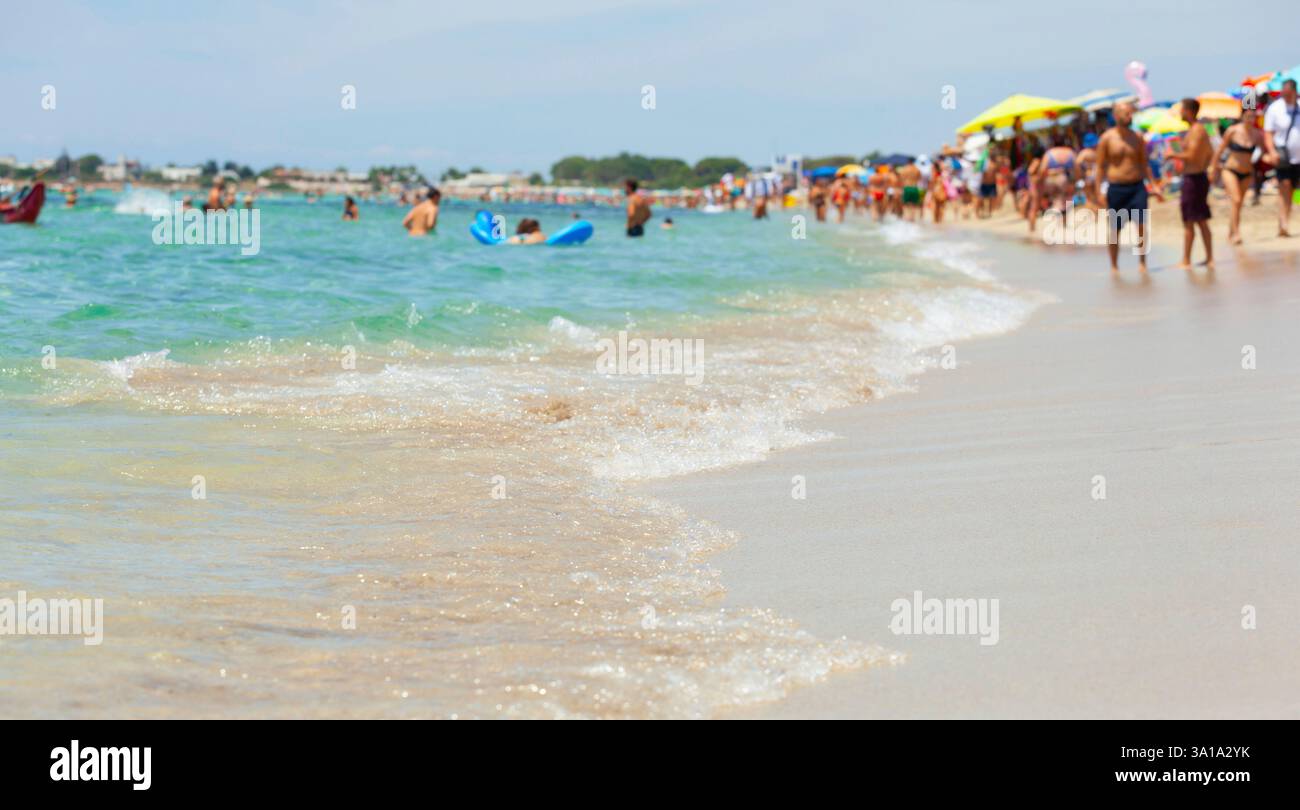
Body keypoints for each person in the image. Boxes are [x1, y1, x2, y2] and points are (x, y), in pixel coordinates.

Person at [1095, 101, 1155, 275]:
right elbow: (1099, 167)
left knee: (1142, 226)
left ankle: (1142, 263)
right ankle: (1114, 265)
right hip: (1116, 189)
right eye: (1126, 113)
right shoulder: (1107, 138)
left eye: (1130, 113)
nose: (1129, 116)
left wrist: (1154, 185)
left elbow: (1145, 164)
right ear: (1115, 116)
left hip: (1137, 187)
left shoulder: (1137, 137)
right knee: (1115, 229)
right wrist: (1098, 191)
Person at [1166, 98, 1213, 268]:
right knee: (1198, 219)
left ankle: (1187, 259)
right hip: (1196, 176)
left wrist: (1173, 155)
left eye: (1182, 110)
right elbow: (1209, 153)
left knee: (1193, 220)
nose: (1180, 113)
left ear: (1189, 111)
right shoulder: (1196, 130)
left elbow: (1193, 155)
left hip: (1194, 179)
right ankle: (1207, 258)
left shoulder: (1197, 130)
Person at [1211, 108, 1265, 245]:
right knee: (1236, 200)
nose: (1250, 119)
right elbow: (1220, 149)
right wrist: (1213, 167)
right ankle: (1236, 233)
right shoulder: (1233, 130)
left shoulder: (1257, 135)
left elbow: (1263, 152)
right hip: (1230, 170)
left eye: (1253, 116)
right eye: (1248, 116)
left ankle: (1231, 232)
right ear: (1242, 116)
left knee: (1239, 204)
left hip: (1247, 173)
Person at [1263, 78, 1299, 237]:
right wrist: (1271, 151)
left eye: (1288, 93)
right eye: (1283, 93)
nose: (1285, 96)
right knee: (1284, 186)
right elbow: (1268, 133)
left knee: (1292, 190)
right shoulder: (1274, 108)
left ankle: (1283, 222)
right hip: (1282, 155)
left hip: (1298, 158)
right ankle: (1283, 223)